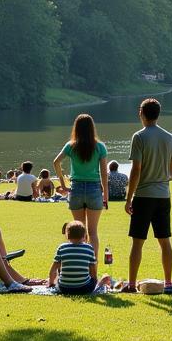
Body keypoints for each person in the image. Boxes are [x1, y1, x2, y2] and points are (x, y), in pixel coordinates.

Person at [125, 98, 172, 293]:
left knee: (138, 241)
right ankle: (168, 283)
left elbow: (136, 169)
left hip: (143, 195)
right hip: (163, 196)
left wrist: (129, 197)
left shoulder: (139, 137)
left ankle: (131, 284)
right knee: (165, 240)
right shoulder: (169, 137)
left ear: (142, 113)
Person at [53, 113, 109, 252]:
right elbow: (103, 174)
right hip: (94, 190)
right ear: (92, 128)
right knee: (93, 233)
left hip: (76, 189)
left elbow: (56, 163)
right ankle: (93, 269)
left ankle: (81, 266)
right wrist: (106, 195)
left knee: (79, 233)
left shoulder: (70, 146)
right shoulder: (100, 147)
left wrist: (63, 184)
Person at [48, 220, 97, 295]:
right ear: (84, 235)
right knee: (94, 280)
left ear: (67, 235)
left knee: (59, 271)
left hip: (64, 288)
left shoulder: (62, 247)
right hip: (85, 288)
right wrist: (94, 281)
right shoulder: (89, 248)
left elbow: (53, 270)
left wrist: (51, 283)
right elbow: (93, 271)